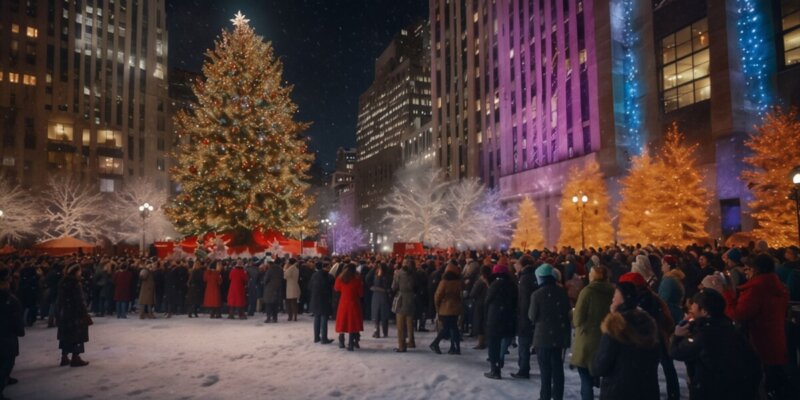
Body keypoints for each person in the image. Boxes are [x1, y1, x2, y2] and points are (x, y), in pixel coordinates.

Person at [670, 289, 761, 400]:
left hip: (710, 390)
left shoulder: (703, 334)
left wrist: (677, 336)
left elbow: (676, 352)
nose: (691, 307)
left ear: (705, 311)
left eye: (695, 304)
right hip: (735, 389)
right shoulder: (731, 328)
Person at [724, 254, 790, 399]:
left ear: (755, 270)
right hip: (776, 340)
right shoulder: (778, 286)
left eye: (748, 269)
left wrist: (726, 295)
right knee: (774, 381)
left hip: (758, 342)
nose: (746, 273)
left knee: (760, 384)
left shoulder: (756, 289)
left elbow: (738, 314)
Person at [592, 282, 660, 400]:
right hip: (646, 390)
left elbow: (600, 366)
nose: (612, 299)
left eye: (615, 296)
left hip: (618, 391)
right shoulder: (647, 324)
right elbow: (654, 358)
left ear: (622, 300)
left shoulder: (615, 326)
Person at [528, 264, 571, 400]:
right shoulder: (562, 292)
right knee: (557, 369)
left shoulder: (537, 294)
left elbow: (532, 316)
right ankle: (558, 396)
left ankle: (545, 396)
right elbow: (567, 312)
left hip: (543, 337)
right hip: (559, 336)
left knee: (545, 371)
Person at [571, 266, 614, 400]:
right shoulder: (612, 291)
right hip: (606, 338)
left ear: (594, 276)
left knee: (585, 378)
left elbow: (577, 319)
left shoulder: (587, 292)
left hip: (587, 339)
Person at [484, 264, 517, 380]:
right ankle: (498, 364)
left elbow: (487, 300)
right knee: (502, 341)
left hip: (495, 318)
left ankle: (495, 369)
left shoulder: (495, 284)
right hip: (508, 317)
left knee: (494, 344)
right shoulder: (512, 284)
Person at [56, 264, 92, 367]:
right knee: (77, 336)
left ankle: (64, 356)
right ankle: (75, 357)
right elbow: (80, 301)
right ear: (76, 272)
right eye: (79, 271)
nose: (81, 273)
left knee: (66, 335)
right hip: (75, 314)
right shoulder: (75, 284)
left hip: (65, 313)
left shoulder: (63, 282)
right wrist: (84, 313)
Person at [511, 256, 538, 379]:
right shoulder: (533, 276)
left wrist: (522, 315)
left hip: (524, 316)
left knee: (523, 343)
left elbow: (523, 300)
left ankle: (523, 368)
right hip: (531, 316)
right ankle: (523, 367)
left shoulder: (524, 279)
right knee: (525, 343)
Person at [0, 267, 24, 400]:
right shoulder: (9, 299)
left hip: (6, 334)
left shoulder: (10, 298)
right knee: (6, 361)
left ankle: (5, 380)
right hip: (7, 335)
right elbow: (16, 317)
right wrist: (20, 330)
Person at [430, 260, 463, 355]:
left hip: (445, 308)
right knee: (453, 328)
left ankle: (436, 343)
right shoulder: (458, 282)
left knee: (447, 328)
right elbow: (461, 295)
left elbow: (437, 296)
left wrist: (437, 308)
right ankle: (455, 347)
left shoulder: (443, 282)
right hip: (456, 308)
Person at [334, 263, 364, 351]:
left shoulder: (340, 278)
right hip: (354, 303)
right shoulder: (357, 280)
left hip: (343, 302)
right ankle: (351, 343)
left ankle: (341, 341)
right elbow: (361, 293)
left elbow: (336, 289)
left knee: (342, 321)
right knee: (352, 322)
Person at [391, 258, 417, 352]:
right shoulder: (414, 273)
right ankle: (411, 341)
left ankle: (401, 345)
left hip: (402, 299)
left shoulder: (398, 274)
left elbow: (394, 287)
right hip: (411, 298)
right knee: (410, 323)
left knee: (400, 325)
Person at [309, 262, 333, 344]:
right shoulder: (327, 276)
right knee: (324, 318)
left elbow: (309, 286)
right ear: (326, 267)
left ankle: (316, 337)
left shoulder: (314, 275)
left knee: (317, 318)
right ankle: (324, 338)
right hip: (324, 300)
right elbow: (329, 288)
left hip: (315, 299)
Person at [658, 255, 685, 324]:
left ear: (668, 265)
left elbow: (663, 299)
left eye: (663, 264)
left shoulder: (668, 280)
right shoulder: (675, 277)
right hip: (677, 311)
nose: (661, 266)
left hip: (670, 313)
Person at [368, 262, 392, 338]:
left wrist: (375, 288)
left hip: (379, 296)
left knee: (380, 315)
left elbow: (385, 288)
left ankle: (380, 332)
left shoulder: (382, 276)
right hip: (380, 297)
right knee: (379, 315)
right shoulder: (386, 276)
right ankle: (381, 332)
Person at [470, 266, 490, 350]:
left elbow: (473, 293)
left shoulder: (480, 282)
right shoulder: (491, 280)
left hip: (480, 304)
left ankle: (481, 342)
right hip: (489, 304)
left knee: (480, 323)